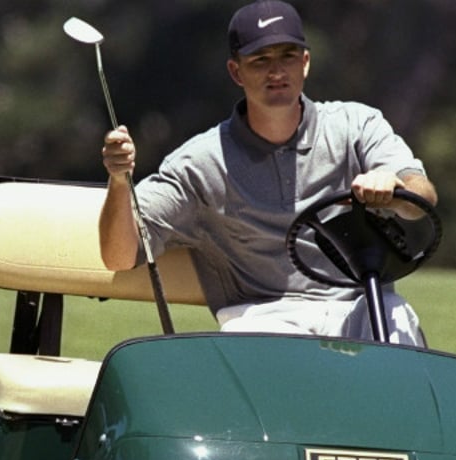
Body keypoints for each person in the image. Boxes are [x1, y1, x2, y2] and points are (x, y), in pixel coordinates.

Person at [98, 0, 438, 346]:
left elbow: (420, 198)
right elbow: (119, 256)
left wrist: (395, 189)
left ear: (305, 63)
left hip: (359, 309)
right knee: (254, 343)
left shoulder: (356, 126)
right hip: (265, 317)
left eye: (288, 55)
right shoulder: (199, 163)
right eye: (260, 60)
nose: (277, 71)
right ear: (236, 72)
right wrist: (119, 180)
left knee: (397, 314)